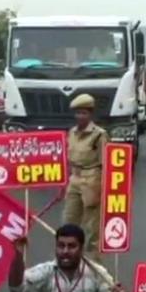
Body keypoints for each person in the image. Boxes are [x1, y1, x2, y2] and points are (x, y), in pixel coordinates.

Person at [62, 94, 109, 262]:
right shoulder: (72, 133)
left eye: (84, 113)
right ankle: (71, 259)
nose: (80, 116)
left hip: (92, 179)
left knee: (91, 229)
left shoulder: (99, 135)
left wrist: (102, 187)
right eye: (78, 113)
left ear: (90, 115)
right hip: (75, 177)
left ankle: (94, 266)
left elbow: (105, 163)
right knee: (69, 222)